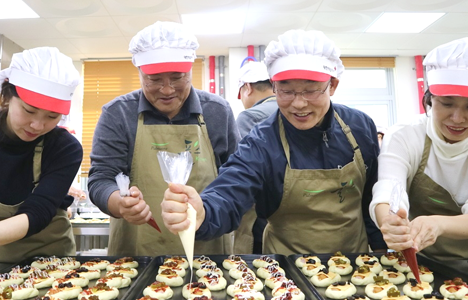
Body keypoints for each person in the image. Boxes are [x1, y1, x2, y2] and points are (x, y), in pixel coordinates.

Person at [162, 29, 386, 255]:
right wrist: (204, 212)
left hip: (356, 265)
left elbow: (373, 196)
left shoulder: (359, 126)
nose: (298, 104)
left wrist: (380, 249)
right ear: (273, 86)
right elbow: (230, 191)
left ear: (333, 86)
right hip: (285, 272)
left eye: (310, 91)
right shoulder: (262, 141)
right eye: (286, 91)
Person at [88, 21, 240, 256]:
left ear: (191, 70)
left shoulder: (217, 112)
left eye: (178, 77)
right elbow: (100, 179)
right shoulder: (117, 114)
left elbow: (235, 183)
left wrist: (208, 211)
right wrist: (119, 202)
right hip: (137, 256)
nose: (167, 90)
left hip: (207, 254)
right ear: (139, 72)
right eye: (155, 79)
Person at [370, 37, 468, 261]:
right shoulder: (406, 135)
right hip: (423, 263)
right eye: (446, 104)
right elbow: (390, 188)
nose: (457, 118)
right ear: (429, 100)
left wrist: (437, 223)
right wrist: (389, 221)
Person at [0, 47, 82, 262]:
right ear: (6, 97)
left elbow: (38, 212)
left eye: (52, 116)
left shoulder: (64, 147)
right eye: (29, 111)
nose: (37, 125)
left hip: (51, 266)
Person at [235, 60, 277, 254]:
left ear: (248, 87)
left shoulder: (250, 117)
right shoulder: (298, 111)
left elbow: (244, 171)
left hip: (264, 216)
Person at [236, 61, 278, 137]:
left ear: (248, 87)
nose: (241, 100)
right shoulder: (292, 109)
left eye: (240, 94)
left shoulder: (249, 118)